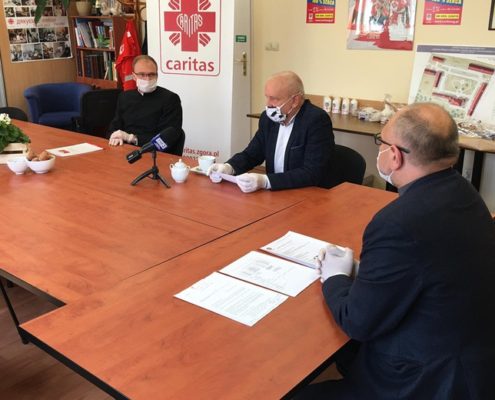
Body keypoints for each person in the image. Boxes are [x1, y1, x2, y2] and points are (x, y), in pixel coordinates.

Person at [300, 103, 495, 399]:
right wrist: (364, 271)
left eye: (380, 142)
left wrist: (335, 276)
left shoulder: (397, 223)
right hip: (471, 358)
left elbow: (357, 322)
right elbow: (429, 265)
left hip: (428, 380)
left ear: (395, 155)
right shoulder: (465, 193)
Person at [207, 71, 334, 192]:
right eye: (267, 97)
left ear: (295, 100)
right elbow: (252, 154)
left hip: (307, 193)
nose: (268, 104)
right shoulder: (268, 119)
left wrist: (266, 181)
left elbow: (312, 172)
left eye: (274, 99)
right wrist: (229, 167)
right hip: (275, 193)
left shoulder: (316, 120)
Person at [108, 55, 184, 155]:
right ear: (134, 76)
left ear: (157, 75)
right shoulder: (124, 97)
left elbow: (167, 138)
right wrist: (115, 136)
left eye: (151, 74)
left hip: (155, 154)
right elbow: (113, 128)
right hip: (124, 150)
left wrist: (132, 138)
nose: (147, 78)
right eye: (142, 74)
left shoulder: (170, 99)